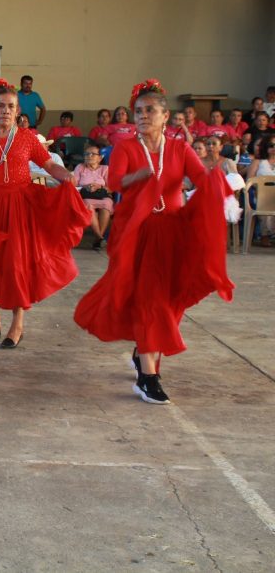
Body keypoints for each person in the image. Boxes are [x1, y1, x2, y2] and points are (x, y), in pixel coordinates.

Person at [75, 79, 234, 404]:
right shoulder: (126, 148)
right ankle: (149, 376)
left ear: (165, 116)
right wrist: (136, 178)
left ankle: (142, 352)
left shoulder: (179, 148)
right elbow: (117, 180)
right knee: (150, 300)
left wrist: (223, 185)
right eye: (138, 111)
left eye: (150, 111)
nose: (143, 116)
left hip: (173, 233)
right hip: (138, 233)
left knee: (169, 301)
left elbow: (202, 179)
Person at [0, 79, 90, 348]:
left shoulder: (27, 138)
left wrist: (67, 177)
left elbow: (49, 164)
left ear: (17, 111)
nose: (5, 111)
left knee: (17, 265)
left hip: (20, 207)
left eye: (11, 106)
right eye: (0, 106)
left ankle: (18, 323)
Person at [72, 145, 112, 250]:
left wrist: (100, 187)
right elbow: (74, 186)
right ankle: (99, 237)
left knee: (107, 204)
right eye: (86, 154)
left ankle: (98, 239)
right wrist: (85, 187)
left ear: (100, 157)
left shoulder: (105, 169)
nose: (89, 156)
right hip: (86, 196)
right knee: (88, 205)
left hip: (102, 196)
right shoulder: (80, 167)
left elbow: (111, 188)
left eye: (93, 154)